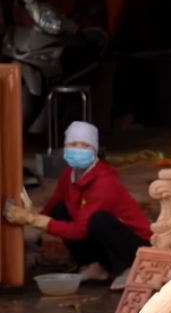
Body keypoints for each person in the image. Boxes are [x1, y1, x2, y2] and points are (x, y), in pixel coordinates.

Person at [3, 120, 151, 289]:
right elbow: (54, 203)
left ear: (95, 150)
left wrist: (34, 220)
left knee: (98, 220)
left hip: (136, 244)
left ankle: (128, 268)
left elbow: (80, 231)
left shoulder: (104, 182)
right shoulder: (69, 173)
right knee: (60, 210)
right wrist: (33, 215)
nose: (78, 150)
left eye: (85, 146)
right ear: (65, 148)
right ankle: (96, 266)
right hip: (99, 236)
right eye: (73, 145)